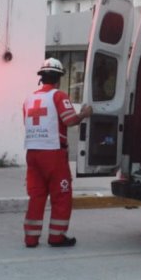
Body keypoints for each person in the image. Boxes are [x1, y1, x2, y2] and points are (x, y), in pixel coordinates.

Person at [22, 58, 92, 248]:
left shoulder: (29, 99)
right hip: (53, 153)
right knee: (61, 195)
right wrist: (84, 114)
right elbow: (70, 121)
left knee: (36, 196)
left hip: (32, 153)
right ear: (58, 78)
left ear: (41, 78)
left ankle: (31, 238)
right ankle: (57, 237)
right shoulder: (59, 96)